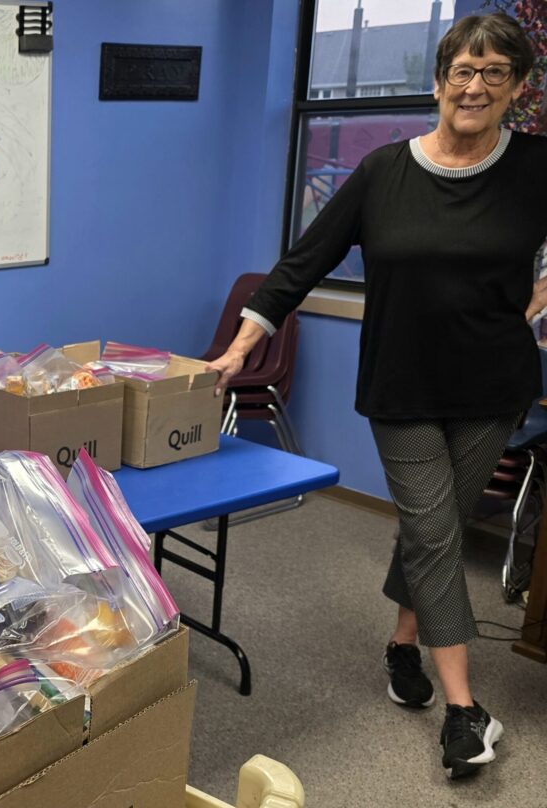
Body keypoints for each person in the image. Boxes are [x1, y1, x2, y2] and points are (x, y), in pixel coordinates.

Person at [206, 12, 547, 780]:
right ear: (439, 82)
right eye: (463, 70)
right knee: (434, 531)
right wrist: (238, 348)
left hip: (494, 388)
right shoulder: (382, 173)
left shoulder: (535, 167)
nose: (476, 86)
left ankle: (402, 644)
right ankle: (465, 711)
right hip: (402, 386)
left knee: (437, 527)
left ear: (517, 87)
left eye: (495, 73)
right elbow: (299, 266)